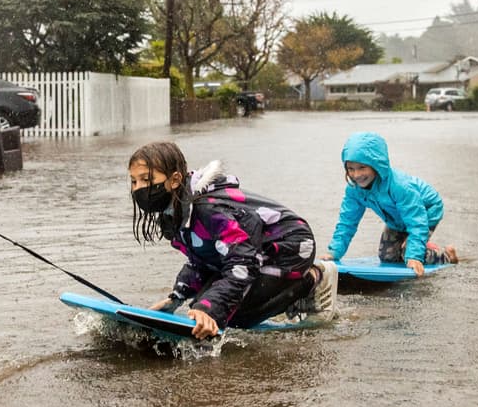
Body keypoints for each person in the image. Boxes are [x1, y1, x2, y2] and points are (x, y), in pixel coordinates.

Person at [128, 141, 336, 339]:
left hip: (290, 247)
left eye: (146, 180)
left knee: (232, 315)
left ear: (174, 180)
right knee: (202, 304)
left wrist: (211, 309)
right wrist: (176, 298)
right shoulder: (173, 215)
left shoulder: (209, 210)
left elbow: (243, 262)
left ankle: (314, 279)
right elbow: (202, 261)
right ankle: (287, 295)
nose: (138, 188)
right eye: (134, 181)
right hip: (253, 250)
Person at [318, 131, 458, 275]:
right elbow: (347, 221)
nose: (357, 175)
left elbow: (417, 221)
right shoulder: (354, 190)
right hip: (396, 220)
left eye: (362, 168)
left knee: (407, 254)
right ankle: (417, 245)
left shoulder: (399, 186)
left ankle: (447, 255)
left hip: (427, 211)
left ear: (376, 165)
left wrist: (414, 256)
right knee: (388, 257)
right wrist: (334, 252)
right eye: (351, 169)